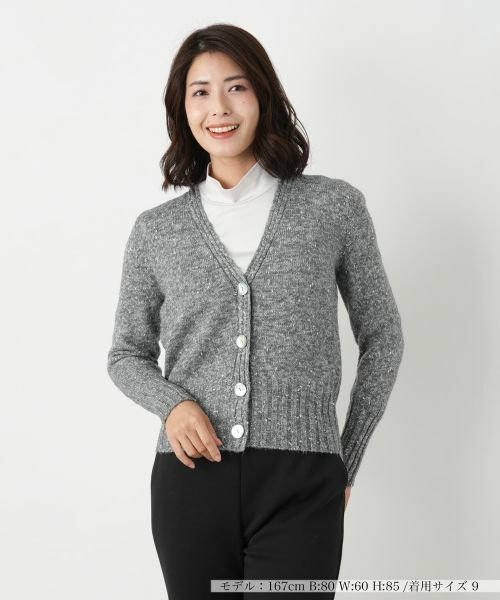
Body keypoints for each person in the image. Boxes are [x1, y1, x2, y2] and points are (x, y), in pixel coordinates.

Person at [107, 23, 404, 600]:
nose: (219, 108)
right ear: (182, 109)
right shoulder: (156, 232)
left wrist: (346, 457)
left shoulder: (333, 206)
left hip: (302, 480)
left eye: (236, 87)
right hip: (190, 479)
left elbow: (383, 335)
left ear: (263, 95)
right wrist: (173, 406)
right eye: (200, 92)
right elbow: (126, 354)